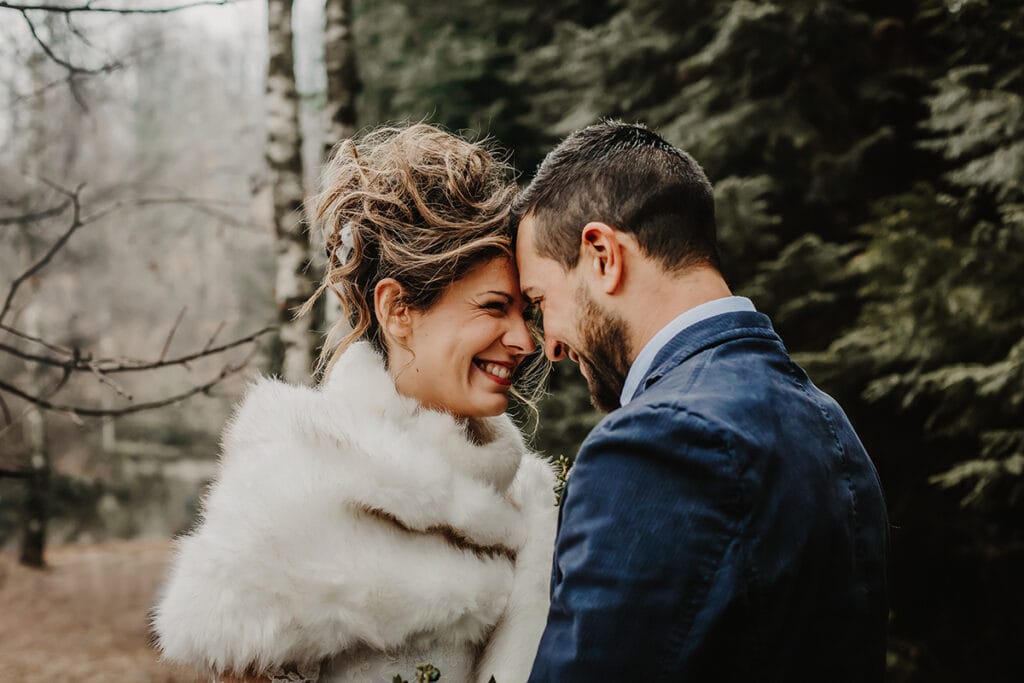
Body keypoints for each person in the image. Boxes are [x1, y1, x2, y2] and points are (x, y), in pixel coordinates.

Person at [152, 124, 557, 683]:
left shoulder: (531, 502)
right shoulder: (294, 492)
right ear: (397, 311)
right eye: (494, 308)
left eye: (525, 313)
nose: (525, 340)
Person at [513, 121, 889, 681]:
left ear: (601, 255)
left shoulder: (654, 445)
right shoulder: (829, 422)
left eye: (541, 300)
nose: (552, 345)